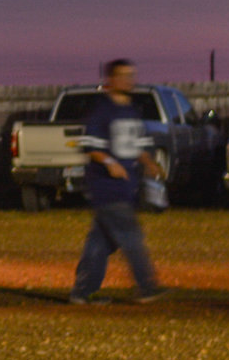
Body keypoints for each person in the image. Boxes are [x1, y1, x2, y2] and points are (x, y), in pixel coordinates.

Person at [67, 58, 163, 305]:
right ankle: (148, 287)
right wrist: (111, 164)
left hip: (127, 188)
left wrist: (149, 163)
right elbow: (90, 147)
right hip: (107, 189)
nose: (128, 80)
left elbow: (137, 146)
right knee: (131, 237)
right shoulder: (102, 111)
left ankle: (82, 292)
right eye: (122, 75)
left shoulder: (131, 110)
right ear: (111, 80)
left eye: (131, 75)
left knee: (100, 242)